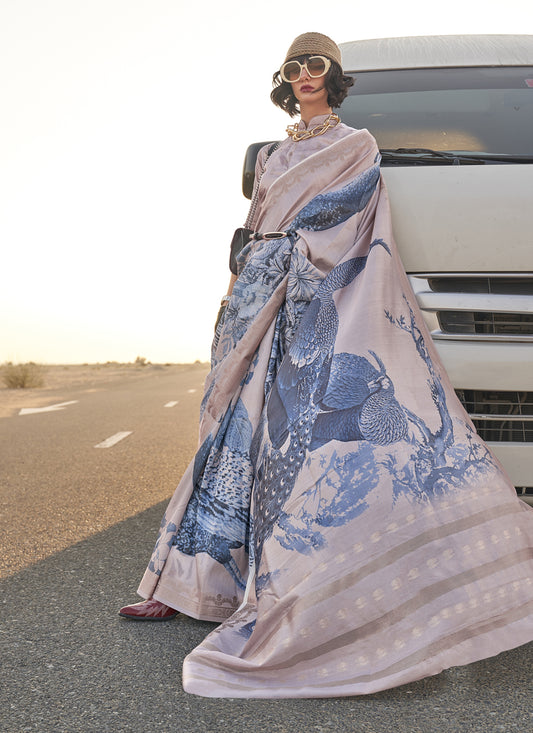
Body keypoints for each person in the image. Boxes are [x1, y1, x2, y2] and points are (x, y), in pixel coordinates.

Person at [119, 33, 533, 698]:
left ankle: (312, 586)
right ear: (284, 81)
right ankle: (185, 585)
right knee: (231, 437)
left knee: (303, 452)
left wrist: (292, 261)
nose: (305, 74)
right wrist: (244, 284)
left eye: (316, 65)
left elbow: (347, 224)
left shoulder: (357, 145)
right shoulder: (278, 154)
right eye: (294, 67)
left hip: (311, 303)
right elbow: (257, 227)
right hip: (257, 301)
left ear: (332, 77)